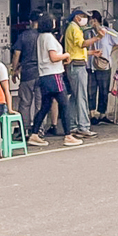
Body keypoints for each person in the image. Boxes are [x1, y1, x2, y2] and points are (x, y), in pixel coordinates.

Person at [28, 15, 83, 148]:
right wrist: (66, 55)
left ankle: (34, 134)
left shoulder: (40, 37)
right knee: (64, 104)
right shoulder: (49, 38)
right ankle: (68, 135)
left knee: (46, 106)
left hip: (44, 75)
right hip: (54, 75)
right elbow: (53, 57)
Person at [63, 9, 101, 138]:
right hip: (77, 66)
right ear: (76, 17)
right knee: (82, 97)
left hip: (74, 64)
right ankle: (84, 126)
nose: (85, 19)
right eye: (83, 16)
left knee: (75, 96)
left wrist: (91, 53)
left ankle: (73, 125)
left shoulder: (71, 28)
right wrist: (97, 38)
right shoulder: (74, 28)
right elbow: (82, 44)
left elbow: (76, 48)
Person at [11, 11, 42, 136]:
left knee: (25, 103)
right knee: (40, 103)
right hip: (42, 73)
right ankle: (39, 130)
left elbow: (16, 54)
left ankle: (24, 130)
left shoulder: (24, 36)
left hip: (27, 74)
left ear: (30, 22)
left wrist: (14, 70)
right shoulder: (44, 36)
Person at [87, 10, 118, 125]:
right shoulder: (88, 32)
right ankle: (92, 115)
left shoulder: (108, 32)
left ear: (95, 20)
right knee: (91, 91)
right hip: (90, 66)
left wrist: (111, 51)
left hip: (104, 66)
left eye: (90, 19)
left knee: (103, 91)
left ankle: (102, 114)